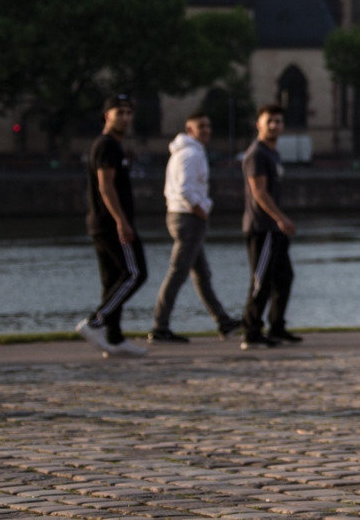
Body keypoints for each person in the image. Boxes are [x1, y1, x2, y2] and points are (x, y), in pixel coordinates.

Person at [148, 112, 241, 344]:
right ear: (189, 130)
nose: (206, 130)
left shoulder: (187, 152)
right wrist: (201, 209)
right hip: (188, 218)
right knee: (178, 272)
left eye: (208, 126)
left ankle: (223, 321)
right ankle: (160, 327)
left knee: (202, 274)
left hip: (184, 216)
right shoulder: (190, 154)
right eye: (201, 126)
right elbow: (185, 189)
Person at [76, 94, 148, 358]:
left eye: (129, 113)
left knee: (112, 281)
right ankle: (96, 323)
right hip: (111, 224)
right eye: (120, 113)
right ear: (107, 115)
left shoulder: (112, 146)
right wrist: (121, 221)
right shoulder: (107, 146)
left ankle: (115, 339)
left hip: (102, 224)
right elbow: (105, 186)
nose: (126, 118)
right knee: (135, 273)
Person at [239, 103, 299, 349]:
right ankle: (251, 332)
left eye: (278, 121)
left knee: (284, 277)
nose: (274, 125)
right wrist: (280, 218)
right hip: (262, 227)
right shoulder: (257, 154)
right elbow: (259, 192)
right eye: (269, 121)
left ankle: (276, 327)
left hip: (275, 229)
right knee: (261, 280)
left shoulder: (273, 153)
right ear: (259, 124)